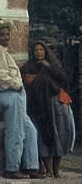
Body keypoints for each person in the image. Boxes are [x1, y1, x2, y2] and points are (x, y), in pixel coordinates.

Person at [0, 18, 44, 179]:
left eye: (7, 34)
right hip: (10, 93)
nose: (6, 37)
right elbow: (0, 75)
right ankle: (12, 168)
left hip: (15, 94)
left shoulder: (2, 51)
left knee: (30, 130)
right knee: (15, 132)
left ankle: (31, 166)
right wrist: (15, 84)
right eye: (2, 34)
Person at [21, 41, 76, 178]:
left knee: (59, 135)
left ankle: (56, 170)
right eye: (36, 50)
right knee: (42, 136)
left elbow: (63, 80)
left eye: (41, 49)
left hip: (56, 104)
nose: (38, 52)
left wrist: (48, 67)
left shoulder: (53, 65)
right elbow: (26, 83)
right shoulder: (30, 67)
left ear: (45, 51)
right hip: (38, 106)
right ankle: (48, 169)